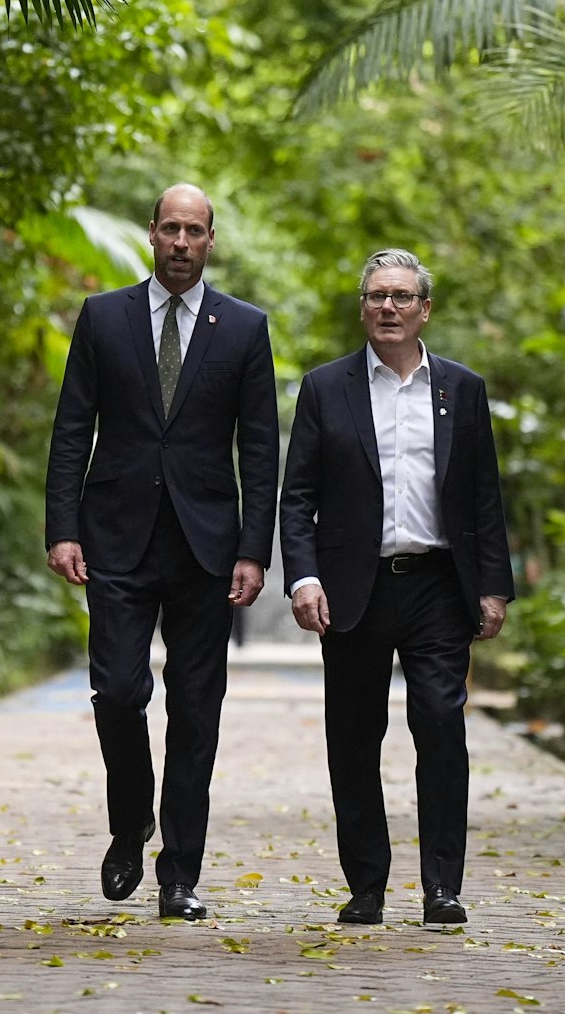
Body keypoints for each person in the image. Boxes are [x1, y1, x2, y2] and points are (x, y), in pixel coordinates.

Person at [44, 183, 280, 921]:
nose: (181, 241)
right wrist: (62, 527)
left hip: (207, 545)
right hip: (114, 534)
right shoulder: (103, 316)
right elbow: (72, 427)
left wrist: (254, 548)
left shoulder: (244, 328)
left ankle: (180, 871)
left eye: (194, 230)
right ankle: (129, 823)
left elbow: (262, 448)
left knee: (196, 709)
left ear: (212, 240)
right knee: (117, 691)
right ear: (152, 234)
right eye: (170, 228)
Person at [280, 248, 515, 928]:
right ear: (363, 307)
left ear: (425, 310)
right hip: (354, 588)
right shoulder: (326, 388)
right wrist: (303, 575)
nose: (389, 307)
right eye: (377, 296)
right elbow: (298, 498)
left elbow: (483, 496)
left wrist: (492, 586)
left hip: (439, 586)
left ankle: (442, 886)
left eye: (402, 296)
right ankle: (367, 886)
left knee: (440, 726)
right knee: (353, 738)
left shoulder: (462, 389)